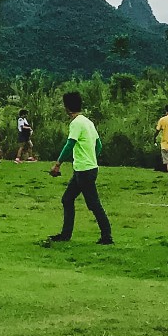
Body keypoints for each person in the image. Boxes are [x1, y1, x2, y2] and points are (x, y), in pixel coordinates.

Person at [45, 89, 112, 245]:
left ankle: (107, 236)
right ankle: (65, 235)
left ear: (67, 107)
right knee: (67, 199)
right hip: (87, 168)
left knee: (93, 203)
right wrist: (92, 157)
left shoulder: (75, 123)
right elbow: (99, 145)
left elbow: (70, 144)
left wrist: (57, 164)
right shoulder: (88, 122)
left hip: (84, 170)